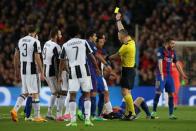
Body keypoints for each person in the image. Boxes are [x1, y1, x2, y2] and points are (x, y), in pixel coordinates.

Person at [58, 26, 100, 127]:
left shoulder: (65, 45)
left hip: (72, 72)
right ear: (77, 33)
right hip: (84, 71)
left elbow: (62, 62)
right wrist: (97, 68)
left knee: (72, 96)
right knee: (87, 95)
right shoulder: (83, 42)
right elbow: (91, 56)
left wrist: (60, 75)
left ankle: (73, 121)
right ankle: (87, 120)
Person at [11, 25, 46, 122]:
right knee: (35, 93)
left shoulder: (21, 40)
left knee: (26, 92)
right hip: (32, 69)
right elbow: (37, 57)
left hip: (23, 69)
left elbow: (16, 56)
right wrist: (42, 71)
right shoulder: (36, 41)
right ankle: (37, 116)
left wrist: (16, 70)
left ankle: (14, 110)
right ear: (35, 32)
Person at [107, 12, 136, 120]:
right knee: (127, 92)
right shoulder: (131, 42)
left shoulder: (125, 47)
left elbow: (116, 56)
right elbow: (122, 31)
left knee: (125, 92)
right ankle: (129, 113)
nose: (118, 37)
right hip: (131, 70)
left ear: (123, 36)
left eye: (119, 36)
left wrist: (107, 57)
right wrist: (118, 20)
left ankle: (132, 113)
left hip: (127, 70)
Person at [77, 30, 111, 121]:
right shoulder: (89, 43)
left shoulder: (80, 43)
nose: (95, 38)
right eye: (95, 36)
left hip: (80, 69)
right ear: (91, 37)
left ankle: (81, 111)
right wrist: (103, 66)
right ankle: (92, 115)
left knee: (86, 91)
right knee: (93, 92)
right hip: (90, 69)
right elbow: (95, 55)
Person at [151, 37, 187, 120]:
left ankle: (171, 114)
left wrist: (183, 74)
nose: (174, 45)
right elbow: (159, 61)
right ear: (167, 43)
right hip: (160, 75)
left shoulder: (172, 52)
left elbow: (177, 63)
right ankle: (153, 112)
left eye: (174, 43)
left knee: (171, 94)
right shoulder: (160, 50)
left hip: (169, 76)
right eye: (172, 43)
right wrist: (161, 74)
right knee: (158, 92)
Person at [43, 27, 67, 121]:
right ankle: (59, 115)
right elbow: (57, 62)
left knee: (54, 93)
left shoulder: (46, 43)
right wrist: (59, 76)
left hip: (46, 71)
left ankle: (49, 113)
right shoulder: (56, 46)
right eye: (60, 34)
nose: (61, 36)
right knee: (63, 92)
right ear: (56, 35)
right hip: (53, 72)